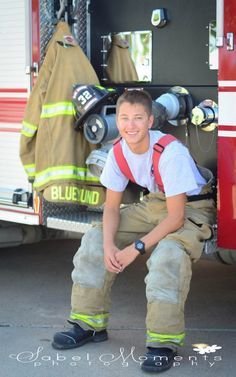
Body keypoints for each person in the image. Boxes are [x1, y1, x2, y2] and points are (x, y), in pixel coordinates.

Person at [52, 90, 215, 373]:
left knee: (168, 255)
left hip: (191, 207)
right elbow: (112, 208)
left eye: (138, 118)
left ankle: (164, 342)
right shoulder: (117, 151)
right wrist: (108, 245)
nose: (130, 125)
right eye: (125, 118)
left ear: (150, 121)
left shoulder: (170, 152)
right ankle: (87, 324)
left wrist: (135, 249)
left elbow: (176, 217)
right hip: (154, 203)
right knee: (93, 239)